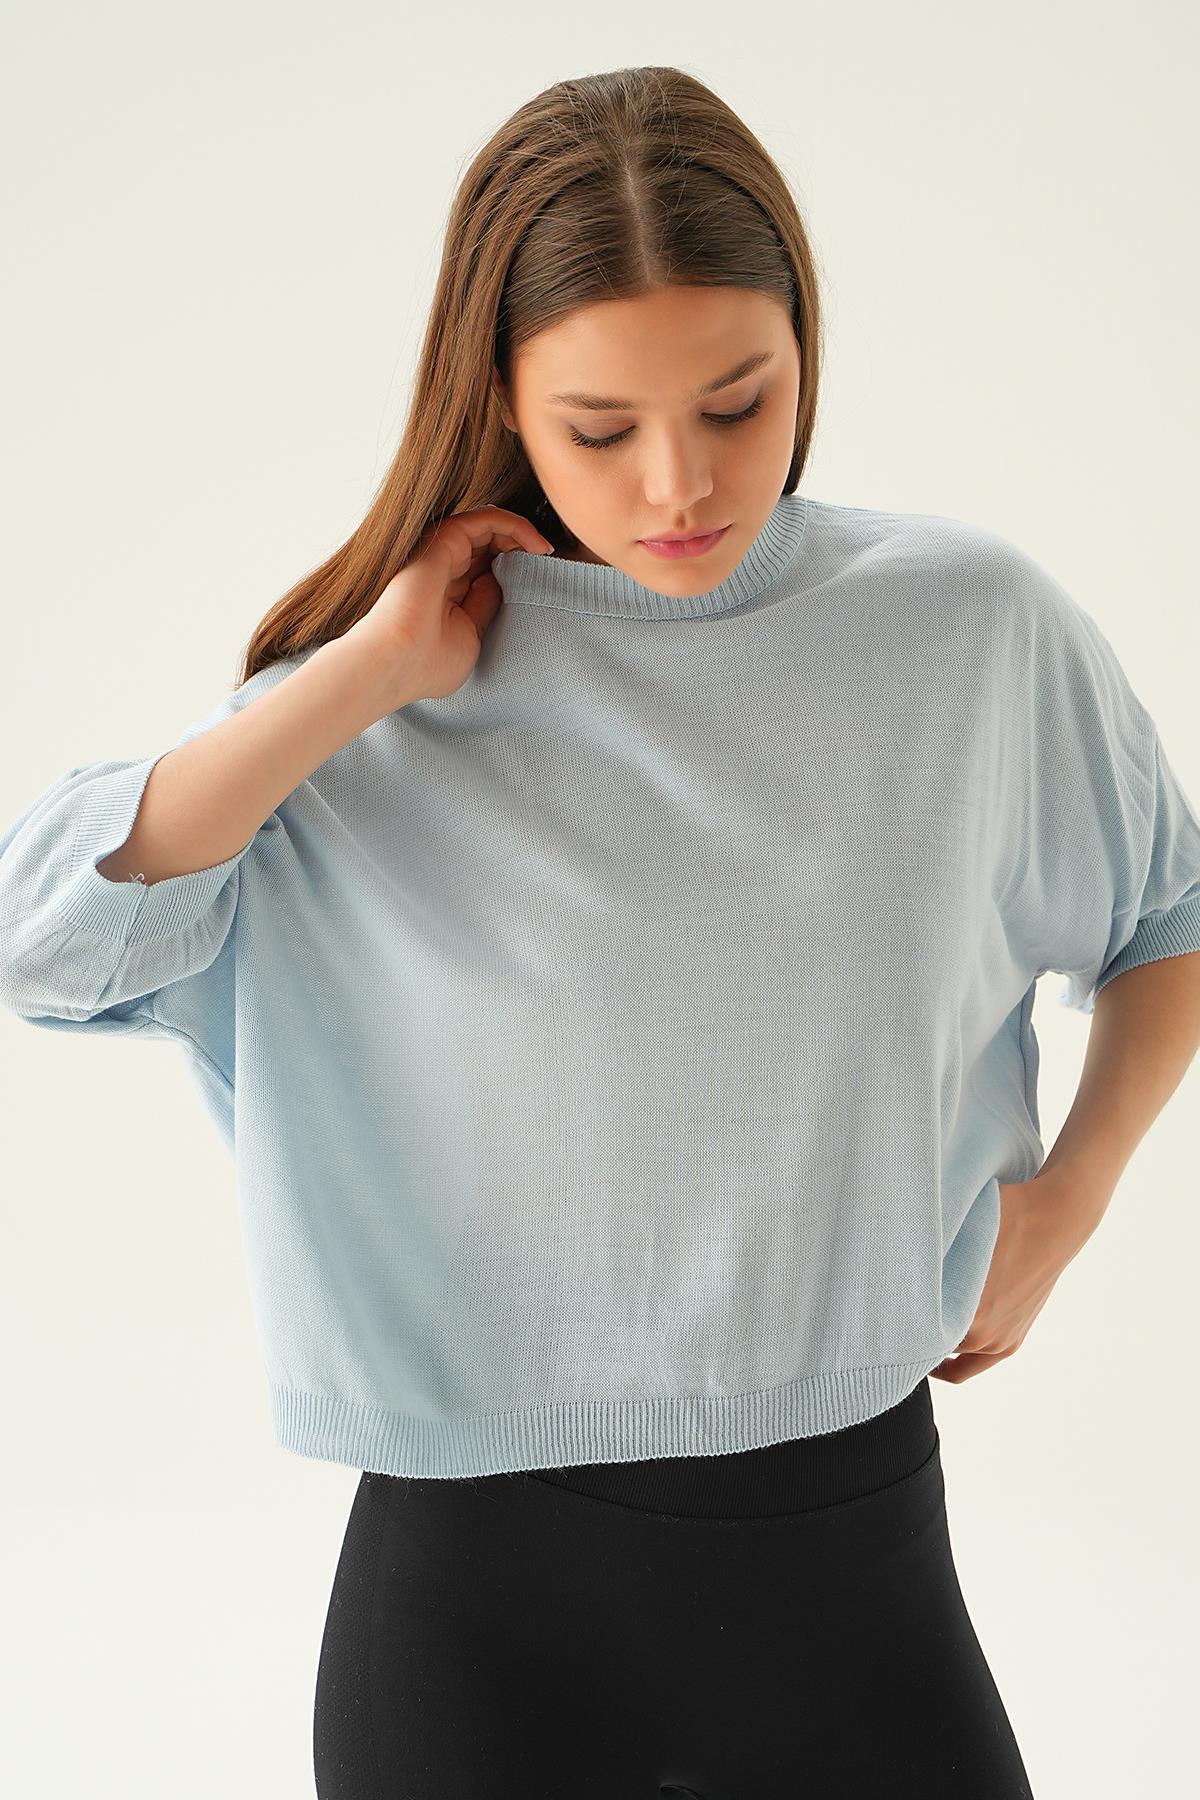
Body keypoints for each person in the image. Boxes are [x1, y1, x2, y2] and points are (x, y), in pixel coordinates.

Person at [3, 65, 1199, 1800]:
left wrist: (1073, 1198)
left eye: (738, 402)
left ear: (804, 346)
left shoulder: (965, 630)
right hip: (469, 1619)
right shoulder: (373, 713)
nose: (679, 483)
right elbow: (44, 944)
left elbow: (1169, 907)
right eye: (600, 428)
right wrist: (360, 676)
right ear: (496, 395)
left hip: (857, 1571)